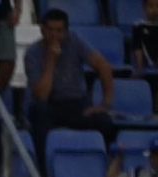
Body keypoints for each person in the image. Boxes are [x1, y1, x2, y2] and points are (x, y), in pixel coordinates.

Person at [24, 8, 116, 166]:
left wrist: (105, 103)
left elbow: (104, 67)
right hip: (50, 105)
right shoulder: (32, 53)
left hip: (77, 103)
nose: (54, 35)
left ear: (66, 32)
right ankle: (43, 170)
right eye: (50, 30)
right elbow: (41, 94)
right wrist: (51, 59)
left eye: (59, 31)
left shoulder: (75, 41)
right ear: (42, 30)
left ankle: (104, 168)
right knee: (39, 111)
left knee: (104, 121)